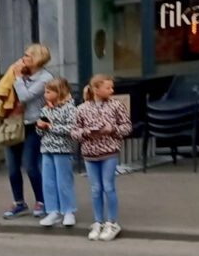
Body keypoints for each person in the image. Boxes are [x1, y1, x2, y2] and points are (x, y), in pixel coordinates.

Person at [72, 74, 131, 242]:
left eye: (112, 87)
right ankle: (98, 221)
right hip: (90, 154)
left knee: (108, 186)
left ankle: (112, 222)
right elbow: (74, 131)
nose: (112, 90)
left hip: (109, 152)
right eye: (108, 87)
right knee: (95, 188)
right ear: (96, 89)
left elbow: (127, 127)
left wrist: (112, 129)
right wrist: (86, 133)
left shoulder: (116, 105)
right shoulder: (81, 109)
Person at [3, 44, 54, 219]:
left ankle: (42, 200)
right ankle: (19, 202)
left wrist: (17, 77)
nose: (23, 58)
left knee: (30, 164)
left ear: (37, 58)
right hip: (15, 123)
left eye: (27, 56)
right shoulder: (22, 73)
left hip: (34, 124)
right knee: (12, 166)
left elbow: (26, 96)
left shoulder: (45, 78)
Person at [35, 77, 78, 229]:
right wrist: (40, 127)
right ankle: (52, 211)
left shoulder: (70, 108)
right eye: (45, 92)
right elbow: (40, 132)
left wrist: (50, 127)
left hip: (63, 150)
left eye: (48, 92)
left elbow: (71, 129)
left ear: (59, 92)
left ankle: (68, 211)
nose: (45, 94)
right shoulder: (45, 109)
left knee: (63, 181)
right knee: (48, 182)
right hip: (47, 149)